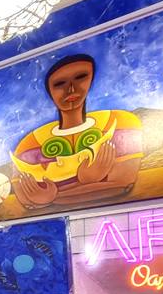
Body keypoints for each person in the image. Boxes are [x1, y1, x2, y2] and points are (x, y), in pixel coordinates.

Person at [11, 54, 143, 210]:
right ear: (50, 92)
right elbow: (25, 199)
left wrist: (52, 197)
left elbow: (123, 185)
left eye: (81, 77)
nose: (71, 89)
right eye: (60, 84)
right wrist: (91, 182)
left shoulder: (120, 121)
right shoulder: (29, 143)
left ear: (91, 80)